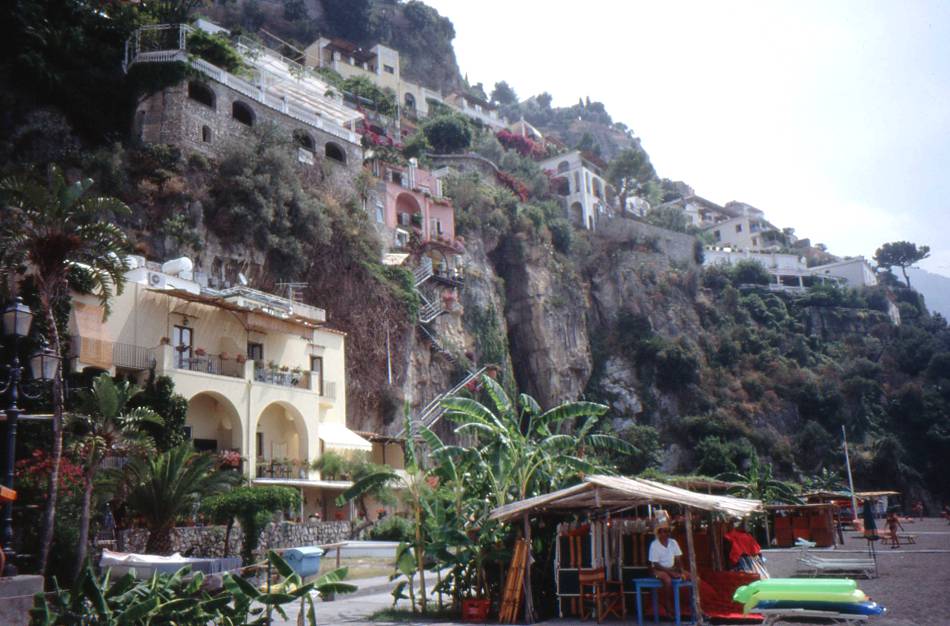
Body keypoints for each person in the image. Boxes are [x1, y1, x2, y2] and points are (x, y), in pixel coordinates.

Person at [648, 524, 689, 618]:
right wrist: (670, 572)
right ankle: (668, 606)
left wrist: (681, 570)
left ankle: (695, 604)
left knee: (695, 578)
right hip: (658, 569)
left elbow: (678, 559)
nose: (667, 534)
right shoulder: (654, 544)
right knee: (667, 580)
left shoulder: (673, 542)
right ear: (659, 533)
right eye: (665, 531)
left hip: (672, 568)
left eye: (668, 531)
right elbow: (655, 564)